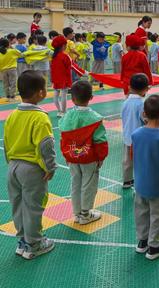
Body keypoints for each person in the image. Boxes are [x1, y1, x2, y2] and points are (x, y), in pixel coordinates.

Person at [4, 70, 57, 259]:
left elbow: (7, 141)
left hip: (13, 167)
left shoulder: (12, 115)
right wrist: (50, 167)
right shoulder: (40, 117)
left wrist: (10, 162)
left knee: (17, 205)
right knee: (34, 206)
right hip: (32, 169)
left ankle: (22, 241)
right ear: (40, 93)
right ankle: (34, 244)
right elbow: (45, 145)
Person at [132, 94, 159, 260]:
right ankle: (154, 246)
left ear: (144, 113)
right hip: (158, 186)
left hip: (140, 183)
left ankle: (142, 241)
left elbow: (133, 156)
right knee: (157, 214)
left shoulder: (136, 134)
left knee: (141, 212)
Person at [59, 80, 108, 225]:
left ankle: (77, 213)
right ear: (91, 97)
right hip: (90, 159)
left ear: (72, 98)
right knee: (89, 184)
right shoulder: (96, 118)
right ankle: (86, 214)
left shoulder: (66, 117)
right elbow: (100, 141)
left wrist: (66, 155)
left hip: (72, 157)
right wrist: (101, 158)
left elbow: (63, 138)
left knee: (75, 183)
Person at [121, 73, 150, 189]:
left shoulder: (125, 102)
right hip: (139, 139)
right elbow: (146, 120)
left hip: (127, 136)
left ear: (129, 87)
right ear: (146, 89)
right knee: (140, 161)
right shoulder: (142, 104)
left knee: (127, 160)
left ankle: (127, 180)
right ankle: (140, 181)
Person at [50, 35, 72, 117]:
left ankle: (59, 111)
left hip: (56, 78)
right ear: (63, 46)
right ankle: (64, 111)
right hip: (64, 78)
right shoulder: (65, 56)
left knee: (55, 95)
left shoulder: (53, 56)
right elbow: (69, 67)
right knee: (64, 95)